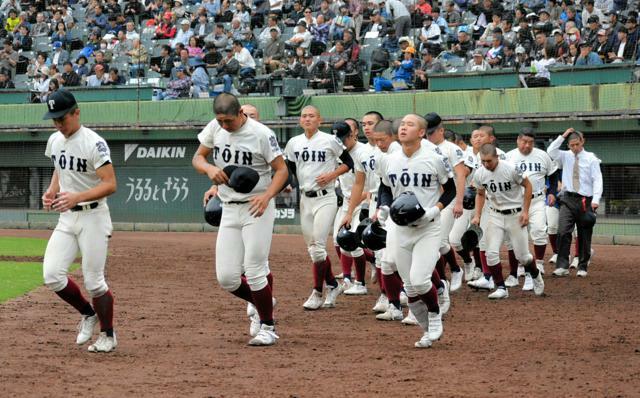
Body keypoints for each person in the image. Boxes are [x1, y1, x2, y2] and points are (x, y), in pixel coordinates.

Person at [192, 93, 288, 346]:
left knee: (255, 268)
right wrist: (209, 169)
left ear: (240, 114)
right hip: (229, 206)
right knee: (227, 278)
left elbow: (282, 170)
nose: (224, 125)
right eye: (219, 120)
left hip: (257, 206)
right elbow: (198, 157)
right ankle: (262, 300)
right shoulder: (215, 127)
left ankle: (268, 325)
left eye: (228, 121)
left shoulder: (260, 134)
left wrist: (267, 196)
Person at [41, 89, 118, 352]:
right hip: (67, 217)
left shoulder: (93, 143)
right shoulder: (55, 140)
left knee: (94, 281)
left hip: (93, 216)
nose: (58, 124)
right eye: (54, 119)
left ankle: (108, 335)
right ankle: (88, 313)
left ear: (77, 112)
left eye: (62, 118)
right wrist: (52, 190)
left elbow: (110, 184)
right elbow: (59, 168)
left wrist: (77, 197)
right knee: (52, 275)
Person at [376, 114, 455, 348]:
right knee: (409, 287)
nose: (403, 128)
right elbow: (385, 188)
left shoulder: (434, 157)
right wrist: (384, 205)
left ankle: (434, 314)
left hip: (427, 227)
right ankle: (426, 332)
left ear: (421, 133)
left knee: (420, 282)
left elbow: (449, 189)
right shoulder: (389, 159)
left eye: (410, 125)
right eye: (402, 124)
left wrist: (436, 209)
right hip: (399, 228)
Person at [284, 106, 354, 310]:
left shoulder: (330, 140)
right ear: (300, 120)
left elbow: (348, 163)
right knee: (313, 250)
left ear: (319, 120)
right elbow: (289, 168)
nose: (307, 119)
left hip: (326, 198)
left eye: (311, 116)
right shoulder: (293, 142)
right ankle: (333, 284)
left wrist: (331, 175)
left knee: (318, 247)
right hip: (306, 199)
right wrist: (289, 183)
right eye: (304, 116)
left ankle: (317, 291)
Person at [471, 143, 545, 299]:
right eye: (483, 161)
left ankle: (536, 274)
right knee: (491, 253)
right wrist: (477, 215)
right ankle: (501, 288)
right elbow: (480, 193)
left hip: (515, 215)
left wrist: (525, 211)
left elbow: (528, 185)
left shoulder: (510, 168)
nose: (486, 164)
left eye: (489, 161)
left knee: (523, 257)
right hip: (495, 215)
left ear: (496, 157)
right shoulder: (480, 173)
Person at [505, 128, 558, 288]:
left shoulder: (542, 155)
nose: (527, 145)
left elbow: (553, 175)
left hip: (537, 200)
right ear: (518, 140)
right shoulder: (508, 157)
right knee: (514, 239)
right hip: (515, 202)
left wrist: (552, 192)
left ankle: (539, 263)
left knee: (539, 231)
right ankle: (517, 269)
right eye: (524, 141)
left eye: (530, 142)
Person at [547, 128, 602, 277]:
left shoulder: (591, 158)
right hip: (567, 198)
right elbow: (551, 151)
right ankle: (562, 266)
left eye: (577, 144)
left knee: (584, 234)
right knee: (563, 231)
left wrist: (596, 200)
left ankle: (583, 266)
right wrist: (563, 135)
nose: (574, 148)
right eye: (571, 145)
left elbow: (597, 180)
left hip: (586, 200)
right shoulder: (565, 156)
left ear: (582, 142)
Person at [425, 113, 467, 291]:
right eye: (426, 132)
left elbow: (461, 174)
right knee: (432, 243)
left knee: (440, 241)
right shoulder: (423, 147)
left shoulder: (451, 148)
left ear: (441, 130)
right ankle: (441, 280)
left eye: (432, 132)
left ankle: (456, 270)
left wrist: (459, 202)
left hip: (448, 199)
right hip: (430, 200)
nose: (429, 136)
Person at [330, 121, 372, 295]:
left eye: (343, 139)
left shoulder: (363, 152)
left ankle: (359, 282)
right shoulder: (337, 152)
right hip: (347, 200)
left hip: (363, 200)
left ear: (352, 135)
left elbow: (368, 183)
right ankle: (350, 275)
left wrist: (362, 200)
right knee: (338, 240)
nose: (341, 143)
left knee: (353, 241)